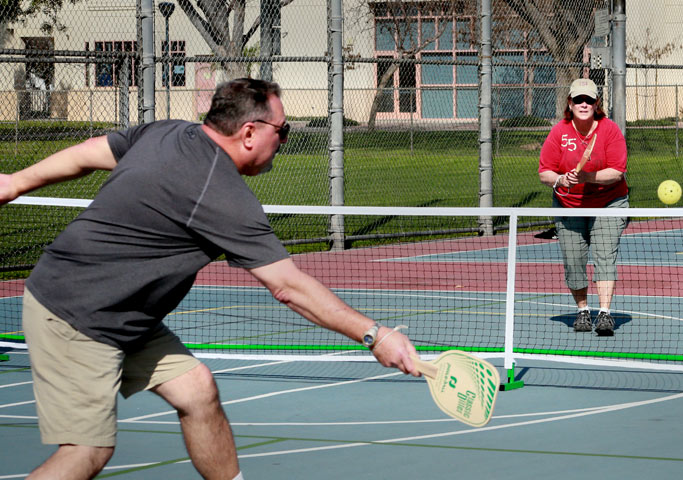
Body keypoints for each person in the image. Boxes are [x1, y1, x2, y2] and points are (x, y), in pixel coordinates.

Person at [0, 78, 420, 480]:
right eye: (283, 129)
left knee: (197, 391)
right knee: (86, 452)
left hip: (125, 312)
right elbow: (289, 288)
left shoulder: (166, 133)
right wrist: (376, 336)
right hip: (77, 314)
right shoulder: (220, 194)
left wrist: (16, 182)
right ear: (250, 132)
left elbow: (90, 151)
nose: (285, 140)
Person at [538, 78, 628, 336]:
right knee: (574, 260)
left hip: (608, 203)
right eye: (579, 99)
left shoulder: (609, 130)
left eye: (589, 99)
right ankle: (582, 311)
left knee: (604, 255)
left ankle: (605, 314)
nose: (584, 104)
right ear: (570, 102)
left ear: (596, 103)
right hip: (569, 206)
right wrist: (560, 179)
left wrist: (587, 177)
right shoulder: (560, 132)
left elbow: (617, 172)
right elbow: (544, 172)